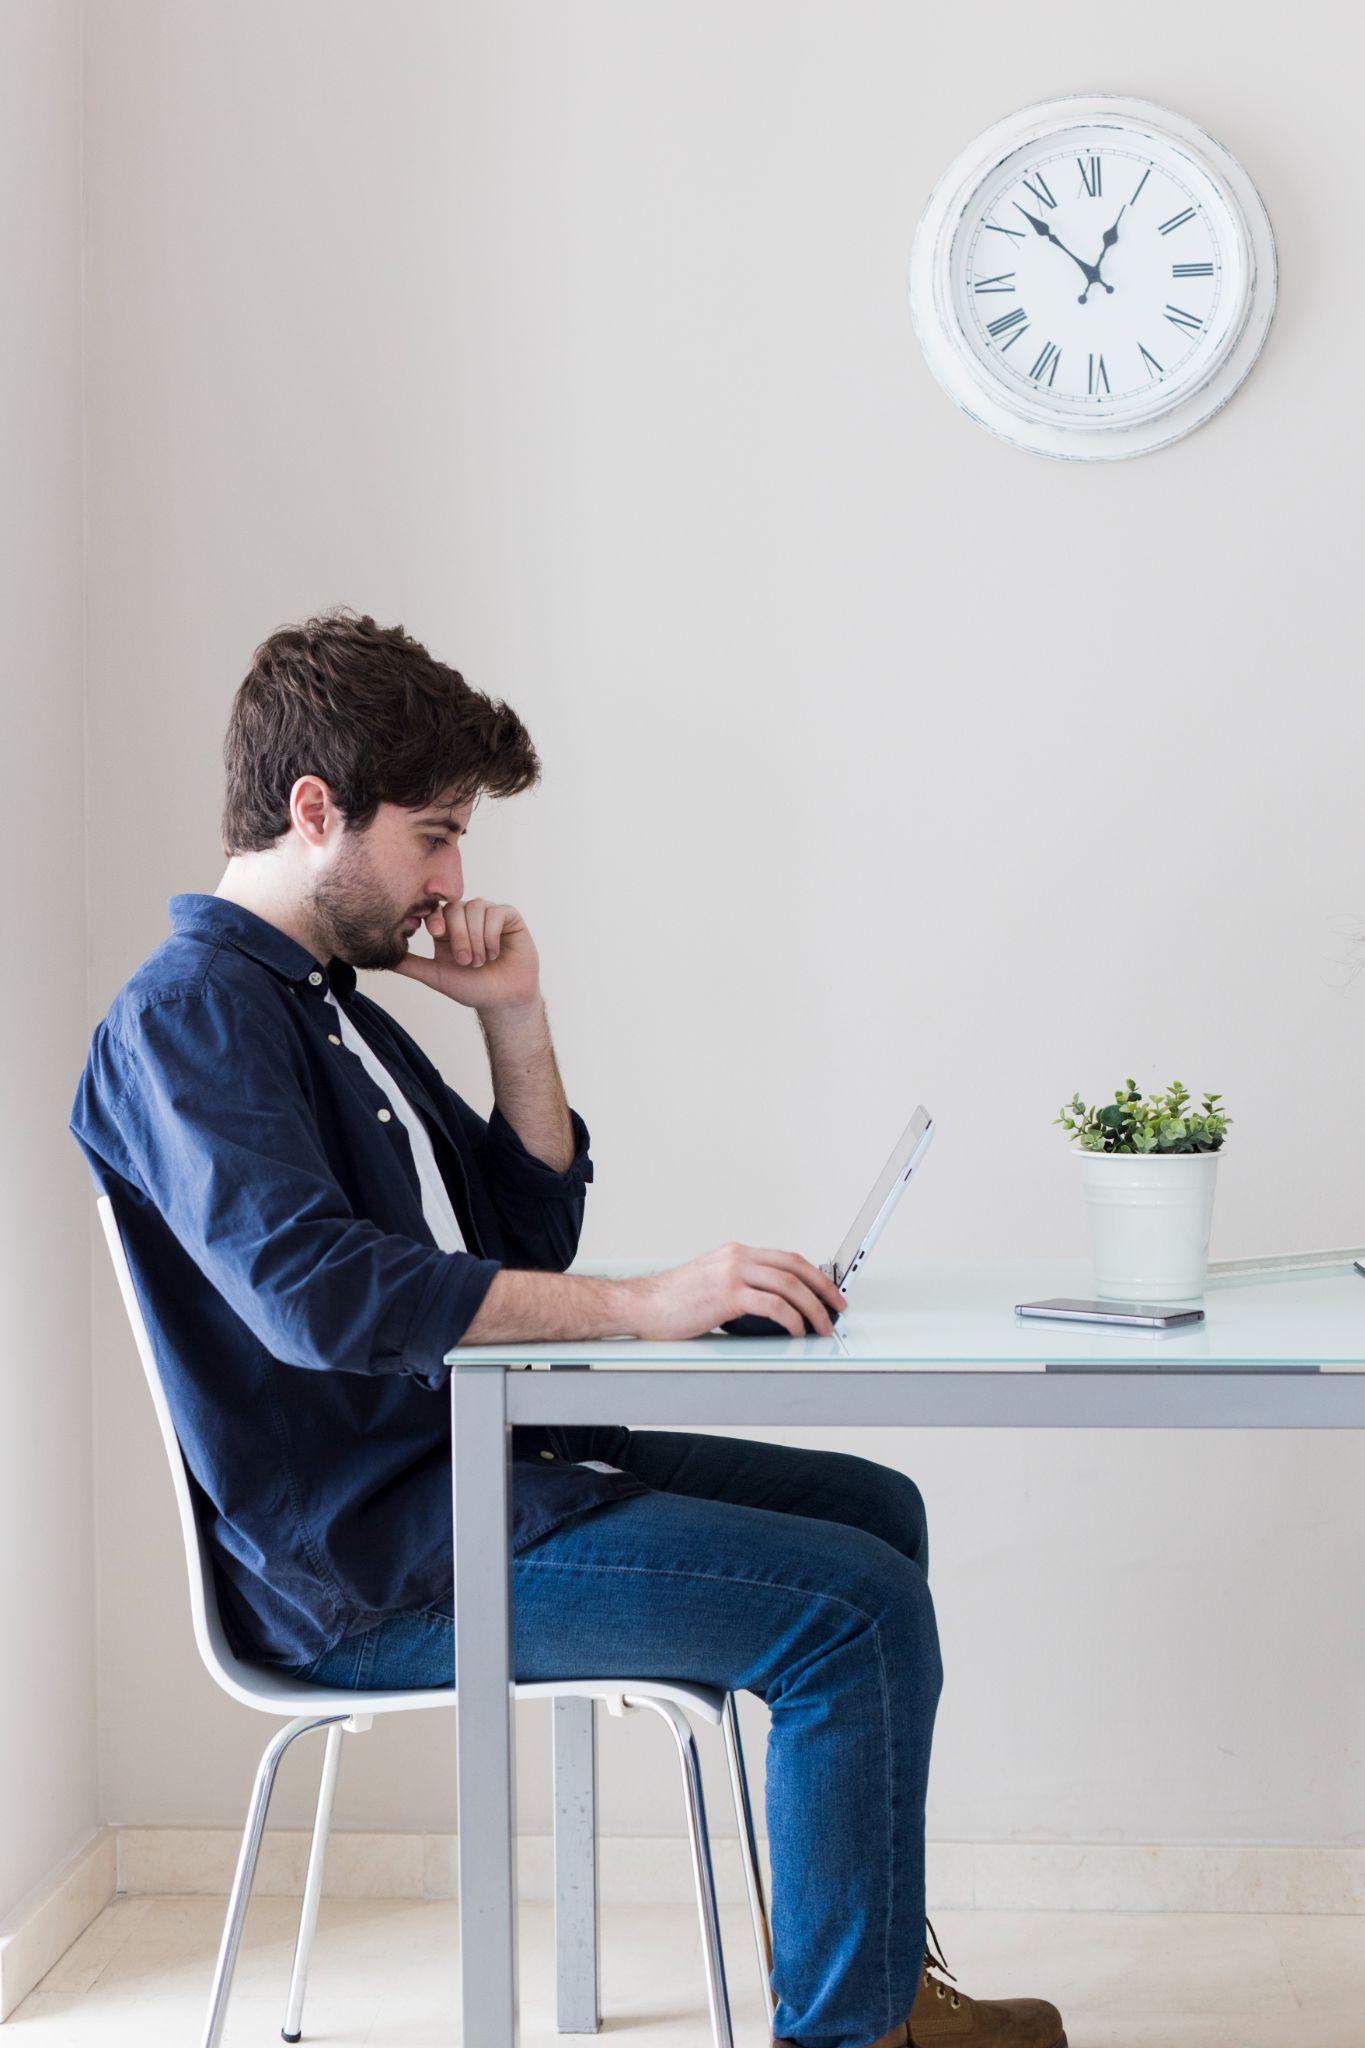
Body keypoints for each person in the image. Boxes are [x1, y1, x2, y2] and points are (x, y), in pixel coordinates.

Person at [69, 608, 1066, 2048]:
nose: (452, 879)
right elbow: (325, 1300)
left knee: (874, 1516)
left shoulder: (328, 1006)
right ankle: (852, 2039)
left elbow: (521, 1248)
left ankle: (880, 1991)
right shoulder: (189, 1021)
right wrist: (652, 1310)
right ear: (313, 811)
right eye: (433, 834)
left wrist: (514, 1018)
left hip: (477, 1480)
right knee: (847, 1612)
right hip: (373, 1561)